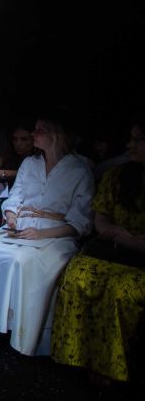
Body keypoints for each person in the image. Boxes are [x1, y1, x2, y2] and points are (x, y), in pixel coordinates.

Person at [0, 119, 95, 356]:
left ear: (56, 135)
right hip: (20, 224)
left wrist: (42, 232)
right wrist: (11, 216)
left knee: (22, 259)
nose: (24, 140)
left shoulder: (79, 168)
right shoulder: (27, 162)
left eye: (29, 136)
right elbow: (12, 195)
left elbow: (81, 221)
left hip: (54, 232)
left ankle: (20, 328)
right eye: (16, 139)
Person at [51, 117, 145, 383]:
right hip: (114, 248)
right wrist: (116, 233)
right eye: (131, 138)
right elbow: (101, 218)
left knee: (121, 289)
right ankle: (76, 356)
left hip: (137, 258)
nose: (131, 145)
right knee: (78, 273)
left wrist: (130, 239)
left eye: (139, 139)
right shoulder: (118, 176)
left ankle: (111, 367)